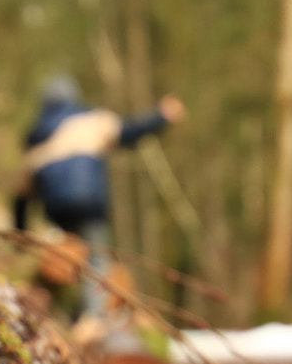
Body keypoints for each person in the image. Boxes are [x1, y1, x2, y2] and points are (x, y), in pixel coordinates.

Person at [13, 74, 184, 319]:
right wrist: (161, 116)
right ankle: (93, 320)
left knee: (62, 261)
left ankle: (44, 313)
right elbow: (129, 130)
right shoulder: (90, 121)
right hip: (89, 203)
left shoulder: (35, 140)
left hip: (55, 210)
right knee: (95, 261)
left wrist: (20, 234)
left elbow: (21, 196)